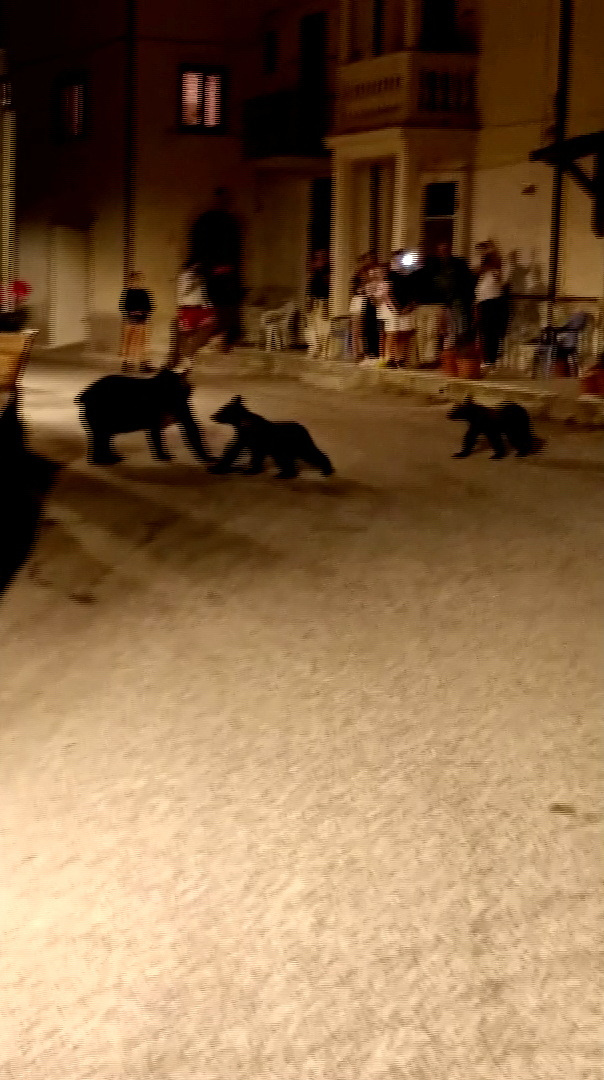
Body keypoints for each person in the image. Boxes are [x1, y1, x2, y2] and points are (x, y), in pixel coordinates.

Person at [190, 188, 244, 353]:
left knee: (225, 308)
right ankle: (212, 339)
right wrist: (208, 267)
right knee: (210, 307)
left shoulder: (230, 222)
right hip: (210, 274)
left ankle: (222, 340)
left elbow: (235, 249)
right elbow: (200, 247)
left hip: (226, 276)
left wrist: (228, 267)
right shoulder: (206, 220)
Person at [169, 259, 215, 368]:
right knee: (185, 335)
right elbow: (183, 292)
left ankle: (188, 355)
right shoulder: (184, 277)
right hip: (187, 309)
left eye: (198, 266)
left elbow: (203, 294)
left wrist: (208, 307)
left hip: (200, 309)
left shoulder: (200, 278)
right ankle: (179, 360)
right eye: (195, 266)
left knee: (203, 333)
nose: (196, 268)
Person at [475, 245, 506, 367]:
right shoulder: (482, 276)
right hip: (483, 303)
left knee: (491, 332)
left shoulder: (495, 273)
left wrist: (492, 249)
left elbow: (499, 266)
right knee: (484, 332)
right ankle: (487, 358)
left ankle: (491, 359)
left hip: (493, 303)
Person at [119, 272, 154, 373]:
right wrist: (134, 312)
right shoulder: (128, 293)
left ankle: (144, 364)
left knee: (143, 344)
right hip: (131, 321)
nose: (136, 283)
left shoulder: (144, 292)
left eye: (139, 280)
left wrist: (143, 313)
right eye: (134, 280)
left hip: (142, 321)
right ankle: (127, 364)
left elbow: (149, 307)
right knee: (129, 344)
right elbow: (124, 307)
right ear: (130, 282)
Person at [306, 250, 331, 359]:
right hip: (315, 302)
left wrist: (326, 305)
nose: (317, 261)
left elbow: (326, 291)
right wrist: (309, 303)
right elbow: (311, 291)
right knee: (312, 328)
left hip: (323, 302)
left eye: (320, 258)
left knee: (323, 328)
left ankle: (323, 351)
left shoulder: (327, 274)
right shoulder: (315, 274)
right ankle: (315, 348)